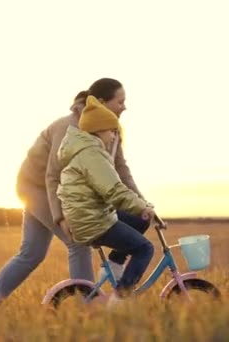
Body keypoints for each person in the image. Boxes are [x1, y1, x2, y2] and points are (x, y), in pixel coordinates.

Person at [0, 78, 148, 305]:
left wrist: (143, 203)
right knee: (78, 241)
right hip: (38, 188)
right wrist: (60, 216)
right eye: (120, 101)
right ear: (102, 102)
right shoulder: (69, 128)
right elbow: (52, 177)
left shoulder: (110, 131)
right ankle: (87, 304)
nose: (124, 106)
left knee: (31, 254)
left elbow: (121, 171)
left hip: (63, 192)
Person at [56, 95, 156, 306]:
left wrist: (142, 210)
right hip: (92, 221)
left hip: (92, 213)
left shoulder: (86, 150)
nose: (113, 136)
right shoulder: (92, 154)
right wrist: (142, 205)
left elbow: (113, 192)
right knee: (145, 249)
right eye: (112, 130)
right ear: (99, 130)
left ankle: (113, 264)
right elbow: (115, 191)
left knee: (141, 221)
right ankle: (119, 300)